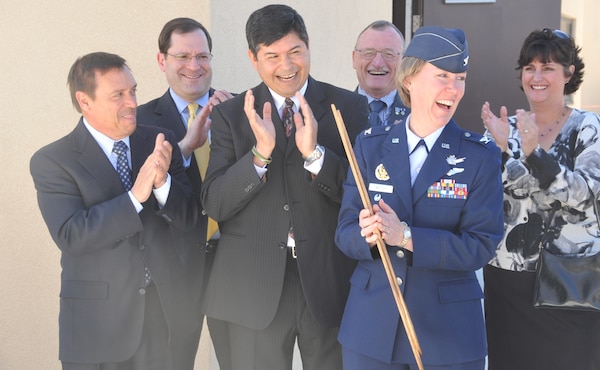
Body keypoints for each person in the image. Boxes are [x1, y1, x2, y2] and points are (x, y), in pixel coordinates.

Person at [200, 4, 369, 370]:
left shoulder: (349, 108)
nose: (287, 66)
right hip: (255, 282)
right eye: (272, 56)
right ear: (253, 58)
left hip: (328, 279)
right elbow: (214, 203)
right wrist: (259, 155)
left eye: (295, 52)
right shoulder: (230, 116)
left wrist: (316, 155)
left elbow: (363, 196)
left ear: (308, 47)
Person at [335, 26, 504, 370]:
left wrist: (406, 237)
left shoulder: (479, 155)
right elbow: (344, 234)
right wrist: (366, 233)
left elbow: (481, 245)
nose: (453, 89)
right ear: (410, 78)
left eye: (460, 78)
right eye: (442, 75)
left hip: (447, 337)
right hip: (371, 332)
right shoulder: (370, 145)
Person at [30, 52, 201, 370]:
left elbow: (191, 218)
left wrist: (162, 184)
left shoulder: (159, 142)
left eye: (133, 90)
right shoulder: (53, 161)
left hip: (162, 321)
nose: (132, 102)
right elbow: (72, 235)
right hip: (96, 329)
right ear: (85, 101)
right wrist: (136, 196)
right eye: (118, 95)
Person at [481, 28, 600, 370]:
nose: (537, 77)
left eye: (548, 67)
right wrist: (503, 152)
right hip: (507, 278)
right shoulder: (506, 130)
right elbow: (492, 194)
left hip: (570, 280)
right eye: (530, 68)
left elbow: (585, 194)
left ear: (568, 73)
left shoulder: (588, 128)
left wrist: (534, 155)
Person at [136, 17, 233, 370]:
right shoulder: (141, 122)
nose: (194, 66)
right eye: (182, 56)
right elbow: (140, 199)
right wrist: (185, 148)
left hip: (234, 263)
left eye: (202, 56)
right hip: (173, 271)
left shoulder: (240, 109)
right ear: (162, 61)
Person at [353, 20, 409, 126]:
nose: (378, 63)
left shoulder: (418, 114)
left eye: (388, 54)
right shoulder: (336, 113)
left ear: (403, 62)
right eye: (369, 53)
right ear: (354, 58)